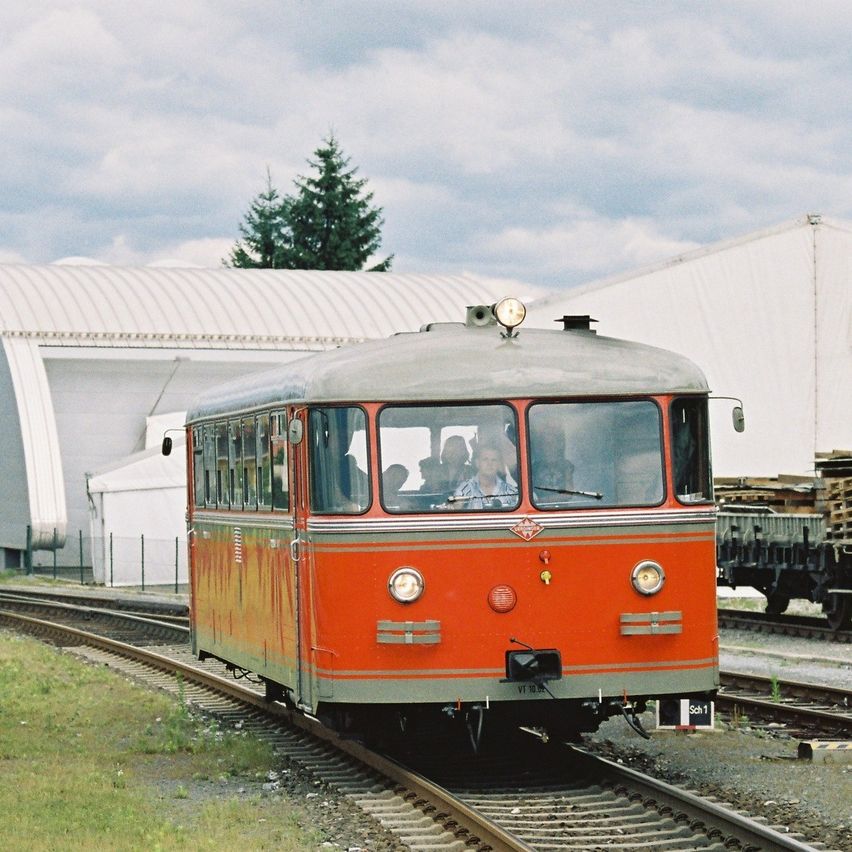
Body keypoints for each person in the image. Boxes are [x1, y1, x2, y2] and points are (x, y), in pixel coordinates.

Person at [451, 445, 516, 509]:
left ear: (499, 464)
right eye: (485, 459)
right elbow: (454, 511)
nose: (489, 464)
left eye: (494, 460)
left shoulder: (511, 492)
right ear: (477, 463)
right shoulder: (464, 490)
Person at [530, 428, 575, 501]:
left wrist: (544, 500)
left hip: (561, 509)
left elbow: (568, 493)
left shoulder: (566, 466)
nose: (549, 447)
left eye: (552, 443)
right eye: (546, 444)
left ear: (558, 446)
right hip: (539, 509)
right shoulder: (535, 467)